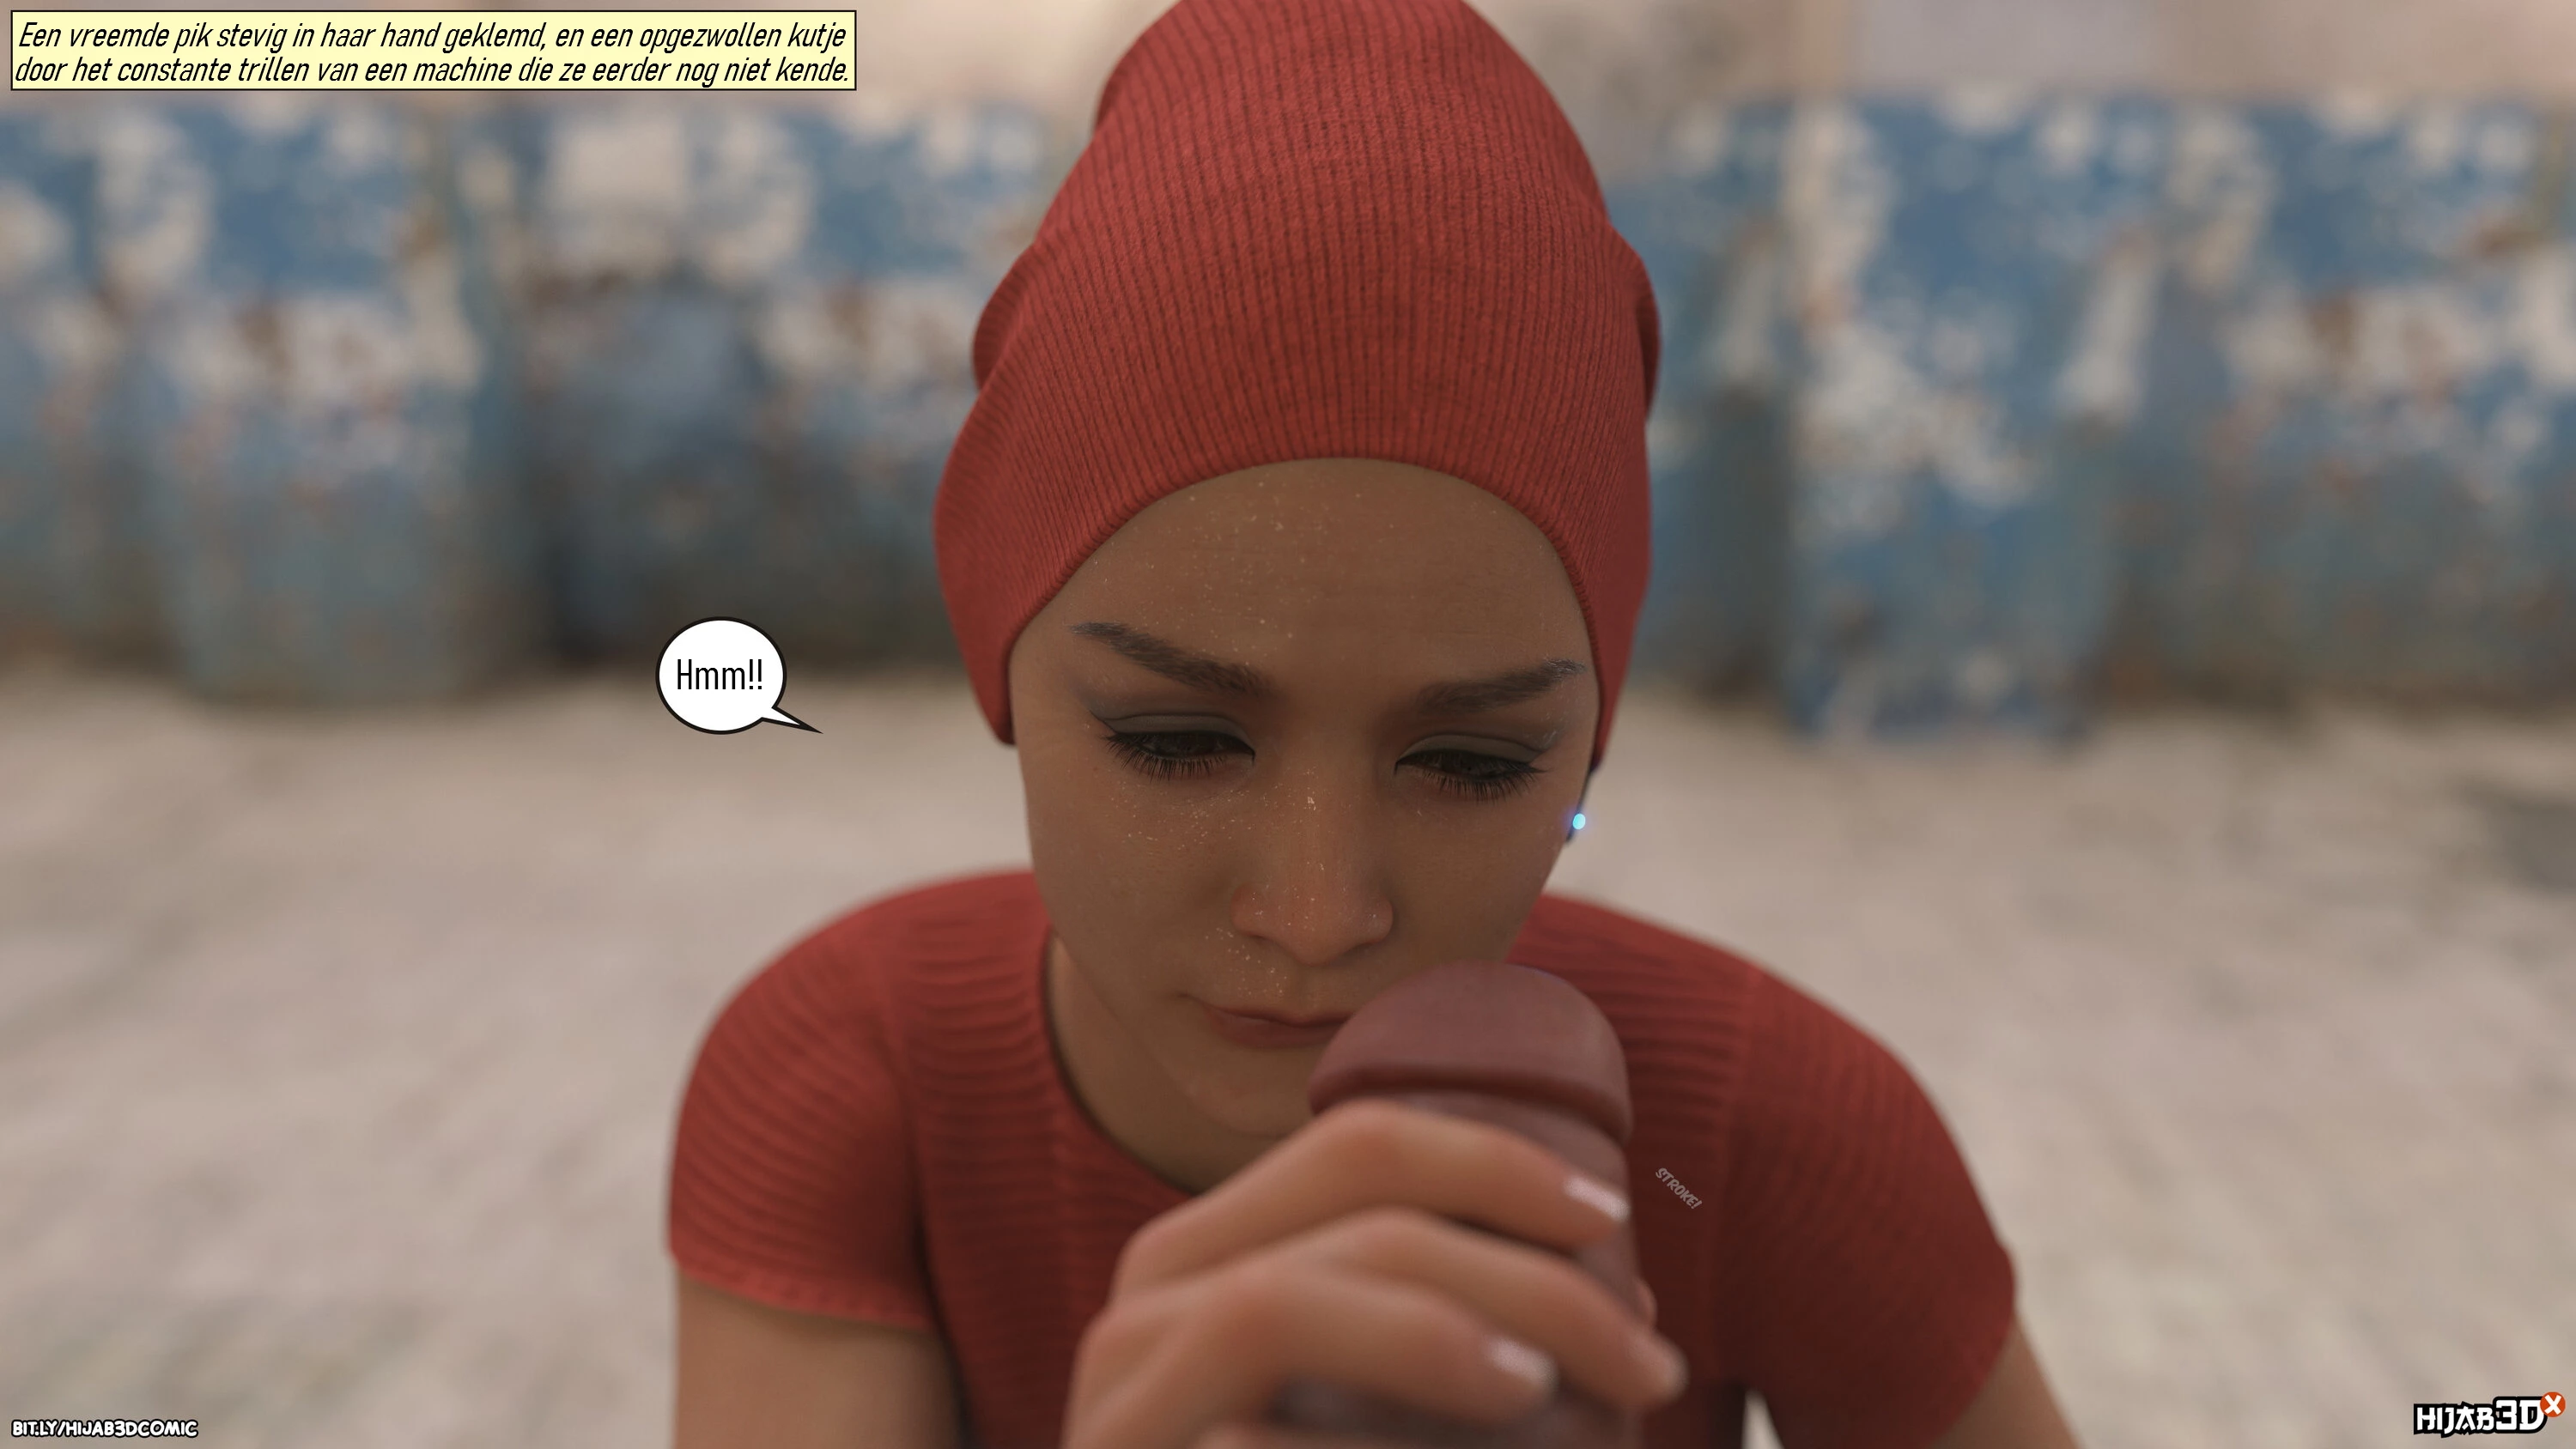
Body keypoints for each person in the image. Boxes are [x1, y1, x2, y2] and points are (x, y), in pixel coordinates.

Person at [667, 0, 2081, 1445]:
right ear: (1001, 668)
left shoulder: (1758, 1145)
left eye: (1473, 763)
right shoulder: (845, 1081)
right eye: (1174, 741)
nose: (1317, 915)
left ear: (1590, 735)